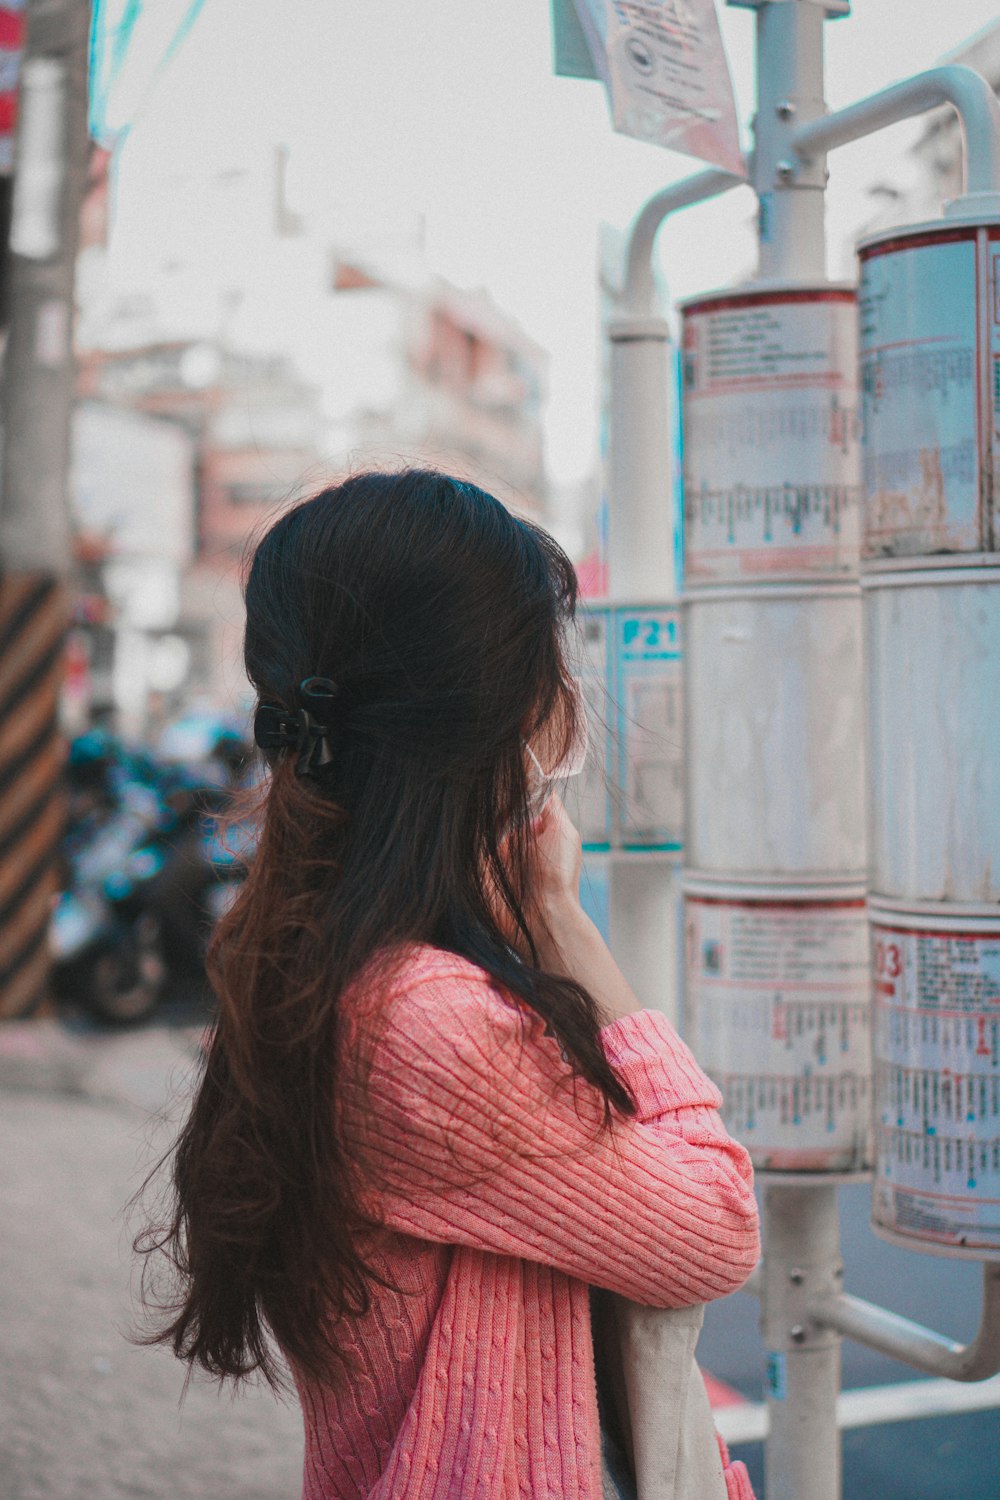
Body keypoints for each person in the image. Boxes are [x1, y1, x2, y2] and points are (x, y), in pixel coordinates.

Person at [135, 469, 760, 1499]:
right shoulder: (428, 1023)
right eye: (550, 656)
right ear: (497, 712)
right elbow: (716, 1228)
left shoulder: (322, 950)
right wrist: (565, 923)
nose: (570, 691)